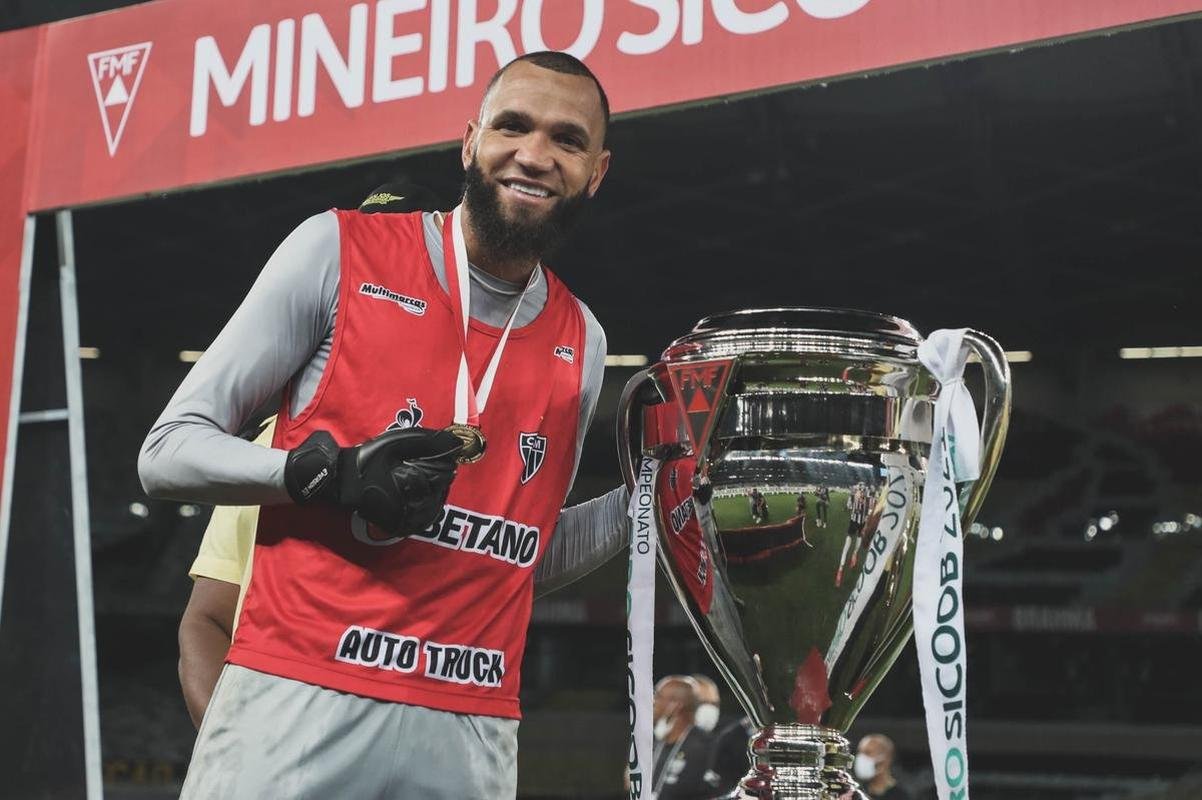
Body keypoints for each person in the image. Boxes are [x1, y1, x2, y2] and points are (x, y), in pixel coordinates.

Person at [141, 51, 622, 798]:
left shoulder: (583, 341)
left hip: (471, 723)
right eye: (513, 127)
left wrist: (651, 499)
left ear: (596, 171)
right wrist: (325, 474)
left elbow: (519, 555)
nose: (534, 155)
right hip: (301, 693)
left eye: (567, 139)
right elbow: (166, 454)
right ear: (470, 143)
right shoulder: (335, 249)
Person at [651, 676, 715, 800]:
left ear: (676, 705)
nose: (653, 702)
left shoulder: (704, 747)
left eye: (658, 696)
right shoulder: (653, 741)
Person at [854, 734, 911, 799]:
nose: (861, 757)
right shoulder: (856, 791)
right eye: (860, 752)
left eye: (868, 752)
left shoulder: (901, 796)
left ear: (887, 758)